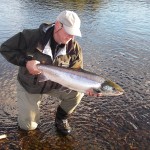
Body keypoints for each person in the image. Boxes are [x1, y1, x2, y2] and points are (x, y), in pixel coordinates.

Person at [0, 10, 101, 135]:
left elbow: (77, 74)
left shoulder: (74, 49)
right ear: (58, 25)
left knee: (78, 93)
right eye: (69, 32)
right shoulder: (31, 36)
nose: (71, 38)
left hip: (55, 85)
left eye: (74, 34)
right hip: (30, 85)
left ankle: (61, 118)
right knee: (28, 127)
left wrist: (88, 88)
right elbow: (5, 48)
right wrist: (26, 62)